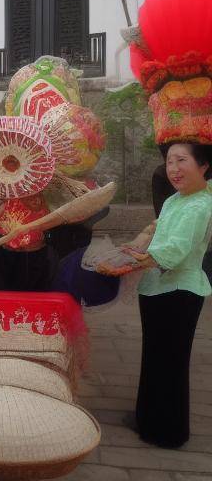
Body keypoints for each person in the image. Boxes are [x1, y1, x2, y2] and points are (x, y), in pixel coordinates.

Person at [127, 142, 212, 448]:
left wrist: (128, 263)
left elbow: (174, 250)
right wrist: (139, 242)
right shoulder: (177, 199)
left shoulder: (201, 204)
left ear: (203, 166)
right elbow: (158, 226)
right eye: (169, 161)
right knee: (154, 358)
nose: (173, 168)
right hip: (156, 289)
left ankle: (169, 432)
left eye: (181, 160)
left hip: (179, 294)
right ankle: (146, 418)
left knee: (171, 365)